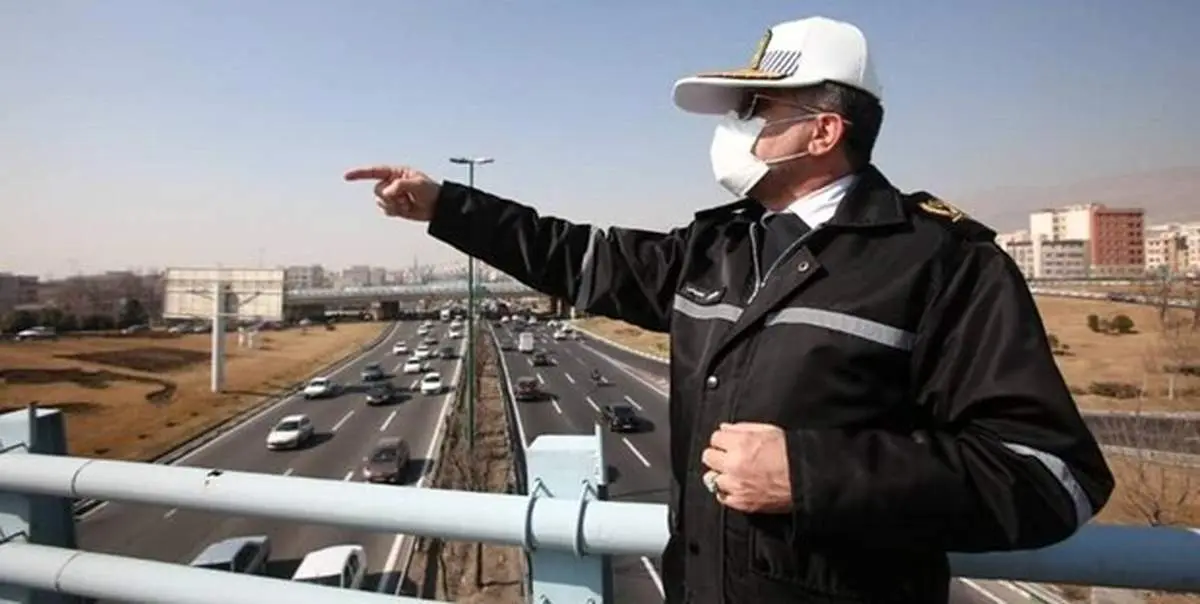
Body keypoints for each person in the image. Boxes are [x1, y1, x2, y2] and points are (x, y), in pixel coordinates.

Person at [345, 15, 1114, 604]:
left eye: (758, 108)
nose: (735, 128)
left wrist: (811, 475)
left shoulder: (942, 263)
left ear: (823, 130)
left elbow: (1050, 476)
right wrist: (446, 206)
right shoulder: (716, 250)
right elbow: (579, 255)